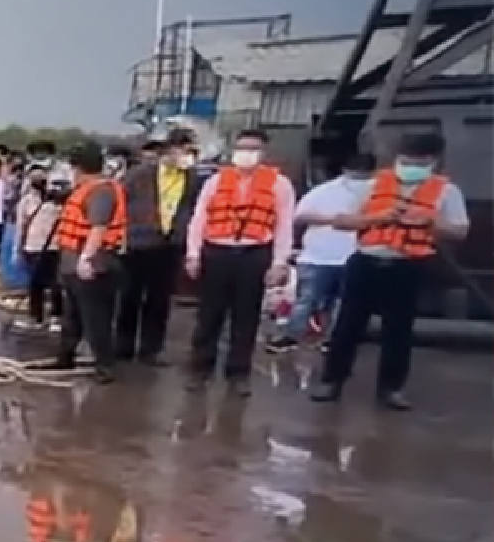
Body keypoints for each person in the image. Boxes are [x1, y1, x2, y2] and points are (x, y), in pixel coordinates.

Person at [310, 131, 471, 410]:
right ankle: (331, 381)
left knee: (398, 331)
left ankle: (391, 389)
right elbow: (342, 222)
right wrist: (377, 218)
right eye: (405, 158)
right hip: (366, 262)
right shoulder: (373, 186)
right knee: (347, 325)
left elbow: (460, 230)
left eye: (418, 160)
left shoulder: (446, 191)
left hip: (407, 265)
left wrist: (428, 222)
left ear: (433, 160)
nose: (410, 165)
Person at [183, 130, 295, 395]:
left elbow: (284, 225)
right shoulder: (215, 181)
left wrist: (280, 262)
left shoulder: (279, 184)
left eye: (253, 148)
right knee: (209, 315)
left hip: (254, 253)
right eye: (242, 147)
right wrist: (193, 254)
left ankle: (238, 374)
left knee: (246, 317)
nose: (246, 153)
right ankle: (200, 370)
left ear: (264, 152)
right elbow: (199, 219)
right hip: (216, 252)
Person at [266, 152, 375, 354]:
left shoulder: (379, 193)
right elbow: (300, 216)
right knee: (307, 300)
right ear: (345, 171)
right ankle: (291, 336)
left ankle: (333, 340)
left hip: (356, 256)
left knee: (343, 303)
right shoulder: (325, 191)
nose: (359, 178)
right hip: (318, 256)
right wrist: (333, 220)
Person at [114, 128, 203, 366]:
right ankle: (123, 346)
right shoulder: (139, 175)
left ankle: (150, 350)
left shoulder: (193, 179)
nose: (188, 156)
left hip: (170, 244)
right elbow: (119, 204)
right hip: (137, 243)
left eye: (191, 151)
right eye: (184, 150)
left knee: (160, 299)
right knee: (130, 295)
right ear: (169, 150)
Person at [50, 141, 126, 381]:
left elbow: (98, 227)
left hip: (95, 266)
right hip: (72, 265)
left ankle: (105, 366)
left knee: (96, 319)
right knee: (72, 316)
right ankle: (65, 357)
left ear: (78, 167)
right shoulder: (84, 189)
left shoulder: (101, 191)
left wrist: (86, 259)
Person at [13, 165, 66, 331]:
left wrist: (17, 250)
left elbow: (21, 228)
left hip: (50, 247)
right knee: (40, 284)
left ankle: (50, 318)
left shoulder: (57, 201)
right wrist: (18, 249)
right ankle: (41, 317)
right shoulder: (28, 201)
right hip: (36, 247)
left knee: (48, 284)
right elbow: (21, 227)